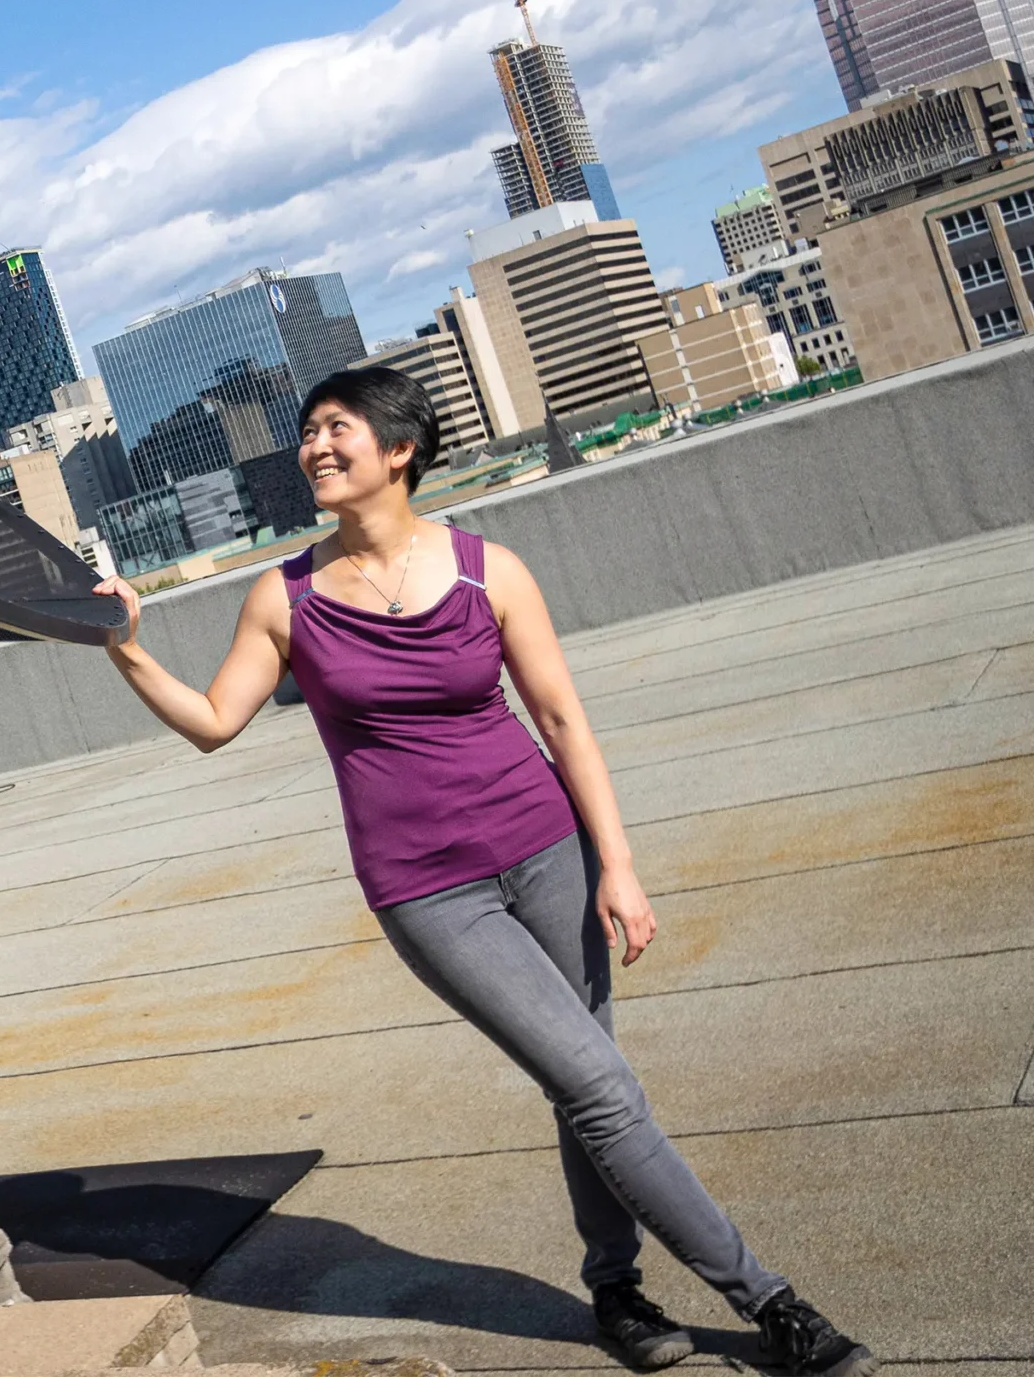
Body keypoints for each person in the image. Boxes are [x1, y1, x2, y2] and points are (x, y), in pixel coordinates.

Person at [92, 366, 874, 1377]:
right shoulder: (283, 598)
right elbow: (210, 722)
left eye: (337, 430)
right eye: (307, 433)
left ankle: (614, 1290)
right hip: (427, 890)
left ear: (399, 449)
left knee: (581, 1085)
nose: (313, 449)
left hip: (547, 847)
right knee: (597, 1083)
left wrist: (618, 865)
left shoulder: (485, 570)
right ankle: (771, 1304)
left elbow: (558, 718)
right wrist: (125, 650)